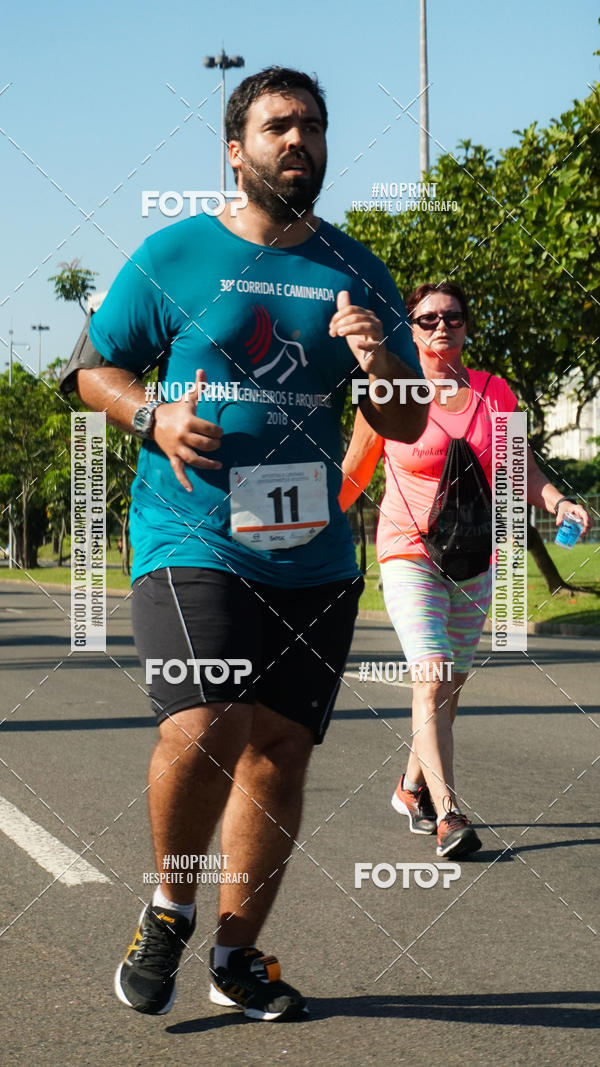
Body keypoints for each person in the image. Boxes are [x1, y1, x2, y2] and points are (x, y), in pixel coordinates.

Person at [61, 67, 427, 1019]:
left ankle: (236, 955)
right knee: (204, 721)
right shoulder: (174, 254)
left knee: (278, 751)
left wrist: (382, 362)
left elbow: (403, 419)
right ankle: (170, 904)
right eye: (278, 126)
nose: (298, 139)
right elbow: (88, 370)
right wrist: (150, 417)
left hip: (312, 554)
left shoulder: (356, 269)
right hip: (192, 534)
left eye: (312, 125)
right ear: (237, 150)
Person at [340, 281, 590, 858]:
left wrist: (557, 501)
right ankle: (448, 814)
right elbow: (352, 477)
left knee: (447, 685)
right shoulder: (388, 391)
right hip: (409, 552)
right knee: (430, 675)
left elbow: (518, 465)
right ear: (411, 329)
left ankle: (409, 788)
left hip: (475, 555)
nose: (441, 328)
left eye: (452, 317)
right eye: (427, 320)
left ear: (466, 326)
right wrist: (296, 533)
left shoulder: (493, 392)